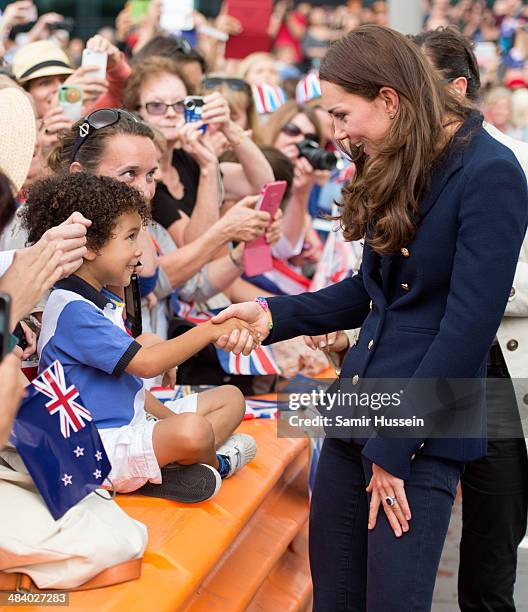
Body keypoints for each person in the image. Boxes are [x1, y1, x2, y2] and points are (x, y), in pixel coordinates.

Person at [212, 25, 528, 610]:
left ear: (388, 100)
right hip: (358, 401)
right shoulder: (398, 158)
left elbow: (467, 327)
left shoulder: (492, 172)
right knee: (337, 598)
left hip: (424, 419)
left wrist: (393, 446)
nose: (336, 132)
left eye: (341, 114)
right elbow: (369, 291)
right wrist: (268, 313)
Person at [22, 172, 258, 503]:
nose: (139, 253)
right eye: (131, 237)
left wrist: (170, 420)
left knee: (230, 398)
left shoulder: (97, 302)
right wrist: (212, 328)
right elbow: (146, 364)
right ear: (89, 246)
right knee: (193, 431)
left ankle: (168, 467)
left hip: (131, 425)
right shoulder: (72, 310)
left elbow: (131, 384)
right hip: (98, 448)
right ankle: (217, 462)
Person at [413, 25, 528, 612]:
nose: (400, 99)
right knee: (410, 537)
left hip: (498, 372)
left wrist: (474, 291)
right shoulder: (400, 165)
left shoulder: (510, 162)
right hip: (419, 369)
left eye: (416, 84)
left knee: (491, 539)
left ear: (458, 88)